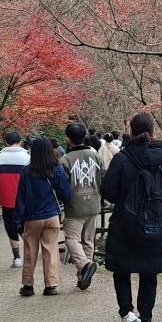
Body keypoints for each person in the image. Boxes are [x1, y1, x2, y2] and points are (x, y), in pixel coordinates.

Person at [101, 109, 162, 322]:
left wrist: (128, 200)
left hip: (126, 225)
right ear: (153, 131)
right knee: (149, 274)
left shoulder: (122, 158)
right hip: (157, 226)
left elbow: (108, 191)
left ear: (131, 130)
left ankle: (127, 313)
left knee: (122, 270)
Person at [13, 136, 71, 297]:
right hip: (52, 216)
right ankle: (51, 285)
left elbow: (21, 199)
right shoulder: (56, 169)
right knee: (51, 248)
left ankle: (28, 285)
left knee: (30, 251)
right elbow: (66, 193)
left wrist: (18, 220)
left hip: (32, 217)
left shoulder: (26, 171)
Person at [59, 121, 104, 291]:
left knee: (71, 238)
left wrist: (64, 201)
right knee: (88, 240)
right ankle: (82, 277)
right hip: (93, 204)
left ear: (68, 138)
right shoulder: (95, 156)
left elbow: (63, 186)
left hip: (74, 206)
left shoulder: (66, 160)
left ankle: (85, 265)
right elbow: (103, 178)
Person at [0, 128, 31, 268]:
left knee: (10, 227)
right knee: (26, 226)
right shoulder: (27, 158)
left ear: (6, 142)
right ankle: (31, 252)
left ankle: (17, 258)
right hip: (25, 198)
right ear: (19, 142)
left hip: (7, 198)